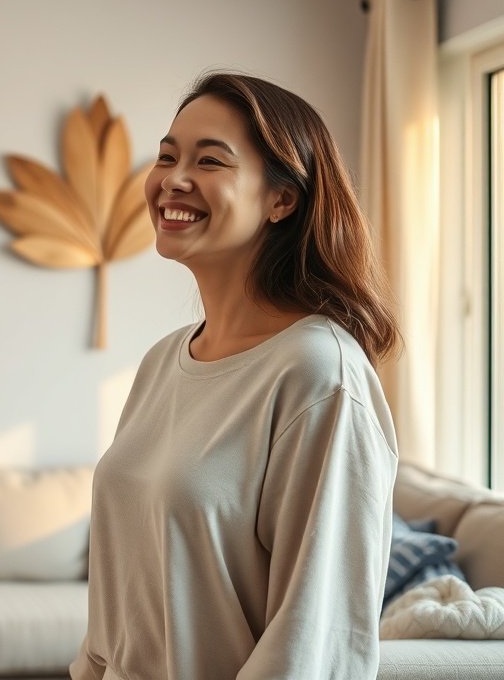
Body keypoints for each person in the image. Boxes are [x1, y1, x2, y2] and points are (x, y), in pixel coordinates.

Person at [70, 72, 400, 680]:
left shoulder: (320, 374)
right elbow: (114, 614)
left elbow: (314, 641)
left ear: (282, 200)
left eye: (210, 160)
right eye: (167, 155)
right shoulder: (164, 361)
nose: (173, 178)